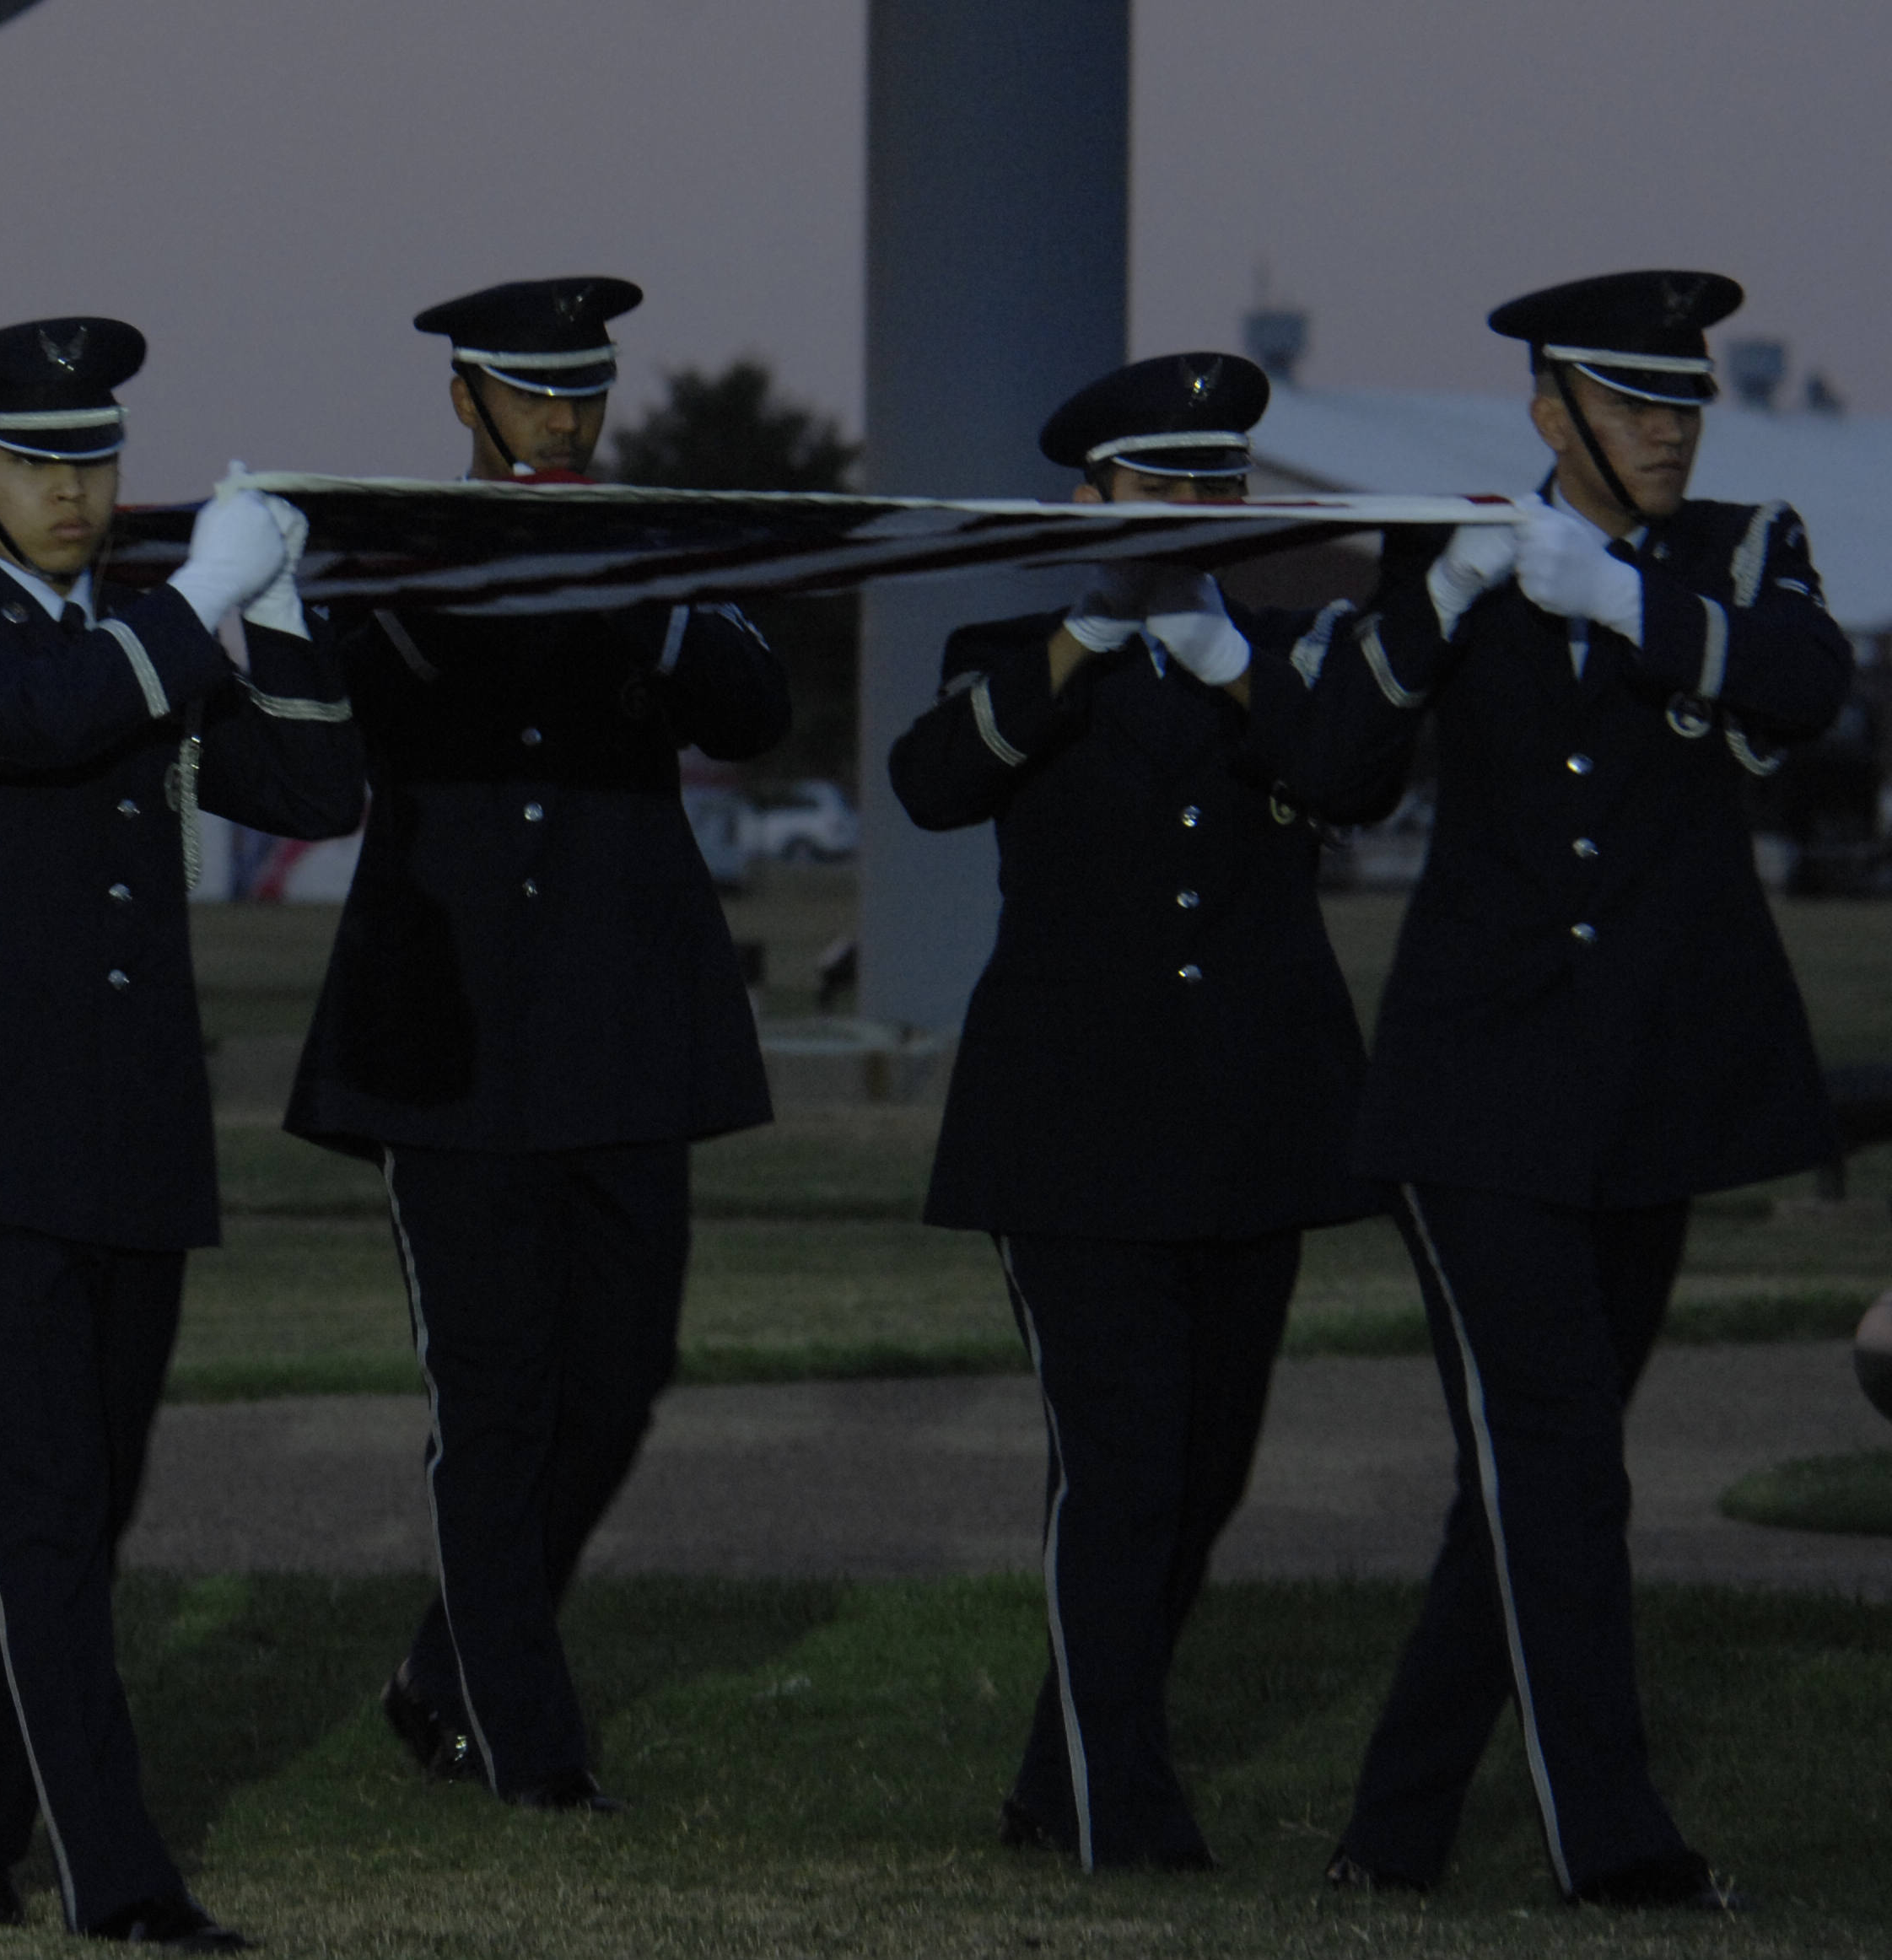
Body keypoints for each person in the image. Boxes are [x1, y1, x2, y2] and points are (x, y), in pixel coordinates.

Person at [1293, 271, 1852, 1909]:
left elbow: (1806, 691)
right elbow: (1326, 775)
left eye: (1682, 404)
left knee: (1536, 1470)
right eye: (1632, 405)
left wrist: (1617, 599)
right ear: (1554, 416)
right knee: (1559, 1460)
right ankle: (1614, 1847)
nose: (1669, 428)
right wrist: (1440, 605)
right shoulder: (1445, 556)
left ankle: (1391, 1832)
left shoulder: (1742, 554)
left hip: (1658, 1090)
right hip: (1480, 1096)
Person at [0, 318, 361, 1947]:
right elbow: (49, 719)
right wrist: (200, 601)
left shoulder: (149, 637)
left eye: (96, 459)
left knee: (90, 1506)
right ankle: (119, 1883)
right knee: (48, 1512)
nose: (75, 491)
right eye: (35, 461)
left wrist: (274, 606)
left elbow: (313, 791)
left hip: (130, 1129)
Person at [282, 277, 791, 1810]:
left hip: (624, 1024)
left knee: (622, 1377)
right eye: (530, 390)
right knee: (492, 1397)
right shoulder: (391, 555)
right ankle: (526, 1740)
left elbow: (752, 706)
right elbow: (322, 726)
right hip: (447, 1036)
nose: (563, 416)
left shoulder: (657, 541)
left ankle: (448, 1659)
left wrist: (662, 594)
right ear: (467, 402)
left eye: (584, 389)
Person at [890, 352, 1381, 1871]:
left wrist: (1231, 661)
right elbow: (932, 782)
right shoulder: (1014, 646)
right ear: (1092, 497)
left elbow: (1357, 782)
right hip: (1071, 1128)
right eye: (1163, 483)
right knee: (1118, 1468)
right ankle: (1125, 1812)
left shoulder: (1293, 650)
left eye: (1215, 483)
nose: (1193, 509)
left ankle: (1058, 1776)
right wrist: (1088, 640)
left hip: (1255, 1122)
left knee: (1204, 1477)